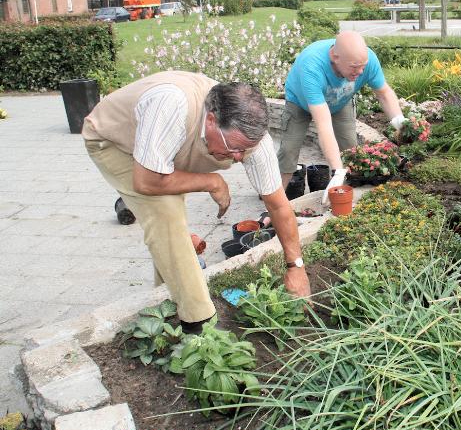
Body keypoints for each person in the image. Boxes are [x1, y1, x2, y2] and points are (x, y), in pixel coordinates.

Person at [82, 71, 310, 333]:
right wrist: (210, 181)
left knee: (171, 221)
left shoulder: (252, 142)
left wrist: (296, 267)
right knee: (166, 212)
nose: (238, 158)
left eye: (245, 150)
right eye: (233, 148)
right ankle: (199, 323)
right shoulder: (171, 105)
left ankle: (165, 301)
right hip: (115, 142)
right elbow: (146, 181)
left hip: (165, 147)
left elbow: (278, 205)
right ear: (211, 120)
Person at [278, 31, 407, 204]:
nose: (361, 72)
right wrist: (336, 171)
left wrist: (400, 121)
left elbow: (383, 93)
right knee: (289, 150)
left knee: (350, 148)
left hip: (339, 100)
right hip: (299, 102)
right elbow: (323, 125)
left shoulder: (366, 60)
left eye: (363, 66)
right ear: (335, 56)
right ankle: (275, 200)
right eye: (354, 67)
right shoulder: (312, 65)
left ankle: (347, 197)